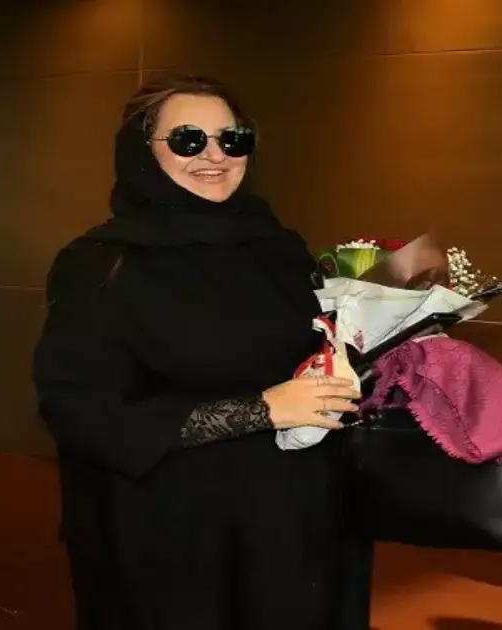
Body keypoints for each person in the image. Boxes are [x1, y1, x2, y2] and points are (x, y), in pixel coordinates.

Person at [32, 75, 361, 630]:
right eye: (188, 140)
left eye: (232, 140)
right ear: (143, 151)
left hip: (292, 519)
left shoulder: (279, 249)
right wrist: (260, 410)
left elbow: (308, 348)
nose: (215, 156)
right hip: (172, 532)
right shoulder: (102, 263)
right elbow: (80, 412)